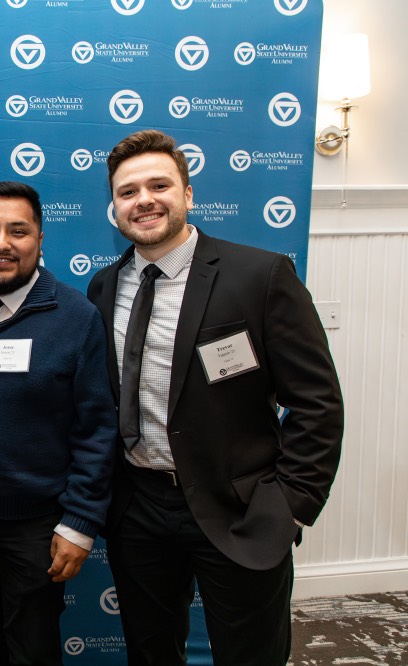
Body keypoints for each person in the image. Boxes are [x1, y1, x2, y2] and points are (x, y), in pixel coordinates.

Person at [86, 129, 343, 665]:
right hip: (139, 509)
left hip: (242, 508)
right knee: (151, 652)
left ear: (188, 194)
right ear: (114, 207)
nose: (144, 200)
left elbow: (317, 402)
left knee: (250, 655)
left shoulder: (260, 275)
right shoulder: (104, 287)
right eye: (128, 192)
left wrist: (290, 505)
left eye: (159, 185)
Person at [0, 181, 118, 665]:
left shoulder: (75, 317)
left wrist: (79, 524)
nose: (1, 244)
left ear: (39, 239)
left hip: (35, 528)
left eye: (18, 231)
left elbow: (97, 428)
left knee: (31, 652)